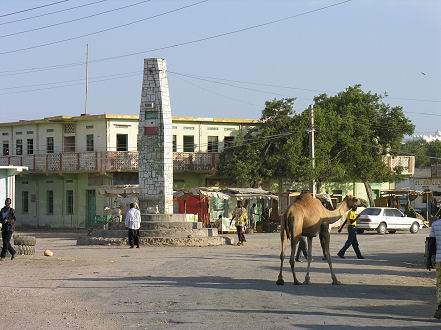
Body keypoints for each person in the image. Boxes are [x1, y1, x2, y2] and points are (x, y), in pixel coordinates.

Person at [429, 216, 441, 319]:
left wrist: (429, 260)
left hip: (439, 260)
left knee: (440, 284)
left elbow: (431, 244)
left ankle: (440, 307)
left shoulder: (435, 224)